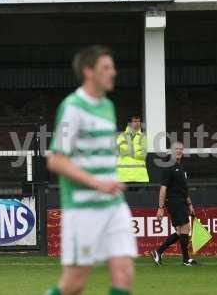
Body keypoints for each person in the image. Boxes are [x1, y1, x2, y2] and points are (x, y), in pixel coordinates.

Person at [46, 46, 137, 295]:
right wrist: (98, 183)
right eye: (106, 68)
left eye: (113, 67)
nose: (113, 72)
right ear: (88, 71)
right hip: (83, 208)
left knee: (125, 273)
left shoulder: (108, 106)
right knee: (74, 284)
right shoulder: (73, 106)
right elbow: (56, 161)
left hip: (113, 205)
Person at [150, 142, 198, 267]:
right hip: (174, 202)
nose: (179, 151)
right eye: (176, 149)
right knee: (185, 229)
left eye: (181, 149)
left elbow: (183, 189)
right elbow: (163, 189)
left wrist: (190, 204)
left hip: (182, 201)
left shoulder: (180, 167)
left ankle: (158, 252)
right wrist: (160, 208)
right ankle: (186, 259)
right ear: (171, 151)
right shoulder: (168, 167)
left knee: (180, 232)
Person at [116, 115, 149, 183]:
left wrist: (129, 149)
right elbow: (122, 150)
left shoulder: (143, 137)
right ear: (130, 123)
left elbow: (142, 155)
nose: (137, 123)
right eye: (135, 121)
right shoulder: (122, 136)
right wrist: (137, 149)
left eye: (139, 121)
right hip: (124, 176)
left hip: (140, 176)